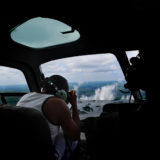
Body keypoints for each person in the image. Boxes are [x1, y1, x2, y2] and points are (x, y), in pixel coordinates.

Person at [16, 75, 80, 160]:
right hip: (44, 155)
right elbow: (75, 135)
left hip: (21, 150)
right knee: (70, 138)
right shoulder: (58, 103)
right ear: (62, 93)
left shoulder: (26, 96)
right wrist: (74, 105)